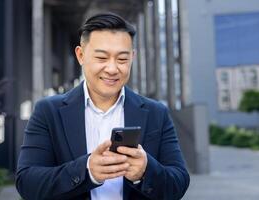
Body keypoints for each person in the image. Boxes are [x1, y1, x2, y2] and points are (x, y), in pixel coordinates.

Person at [16, 13, 190, 200]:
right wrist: (87, 170)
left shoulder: (156, 113)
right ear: (81, 55)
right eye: (101, 58)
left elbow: (179, 183)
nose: (112, 69)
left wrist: (146, 171)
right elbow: (27, 183)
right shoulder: (48, 112)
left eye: (122, 59)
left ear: (132, 57)